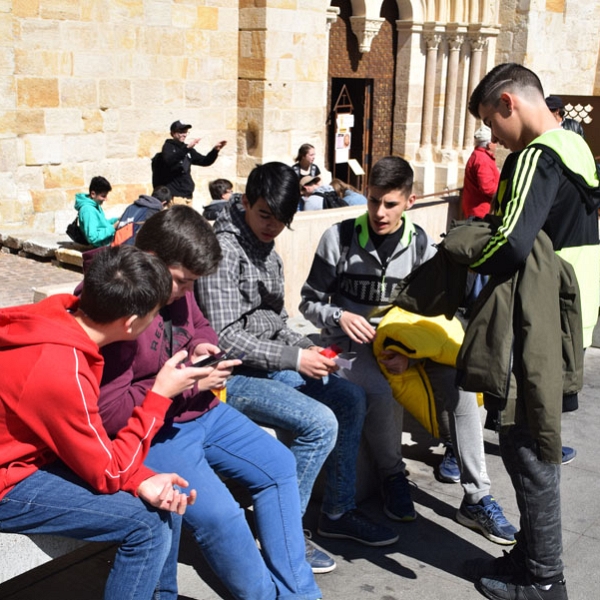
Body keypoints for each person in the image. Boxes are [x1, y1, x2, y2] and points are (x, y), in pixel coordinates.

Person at [98, 205, 322, 600]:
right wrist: (178, 386)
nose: (187, 292)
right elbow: (110, 413)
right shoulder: (120, 304)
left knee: (280, 466)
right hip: (156, 434)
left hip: (203, 410)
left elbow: (200, 324)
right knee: (221, 517)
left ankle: (300, 595)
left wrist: (204, 345)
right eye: (182, 283)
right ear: (150, 260)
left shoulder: (176, 287)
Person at [299, 156, 517, 546]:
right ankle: (393, 477)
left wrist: (413, 355)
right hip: (353, 347)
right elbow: (308, 302)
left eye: (390, 203)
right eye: (373, 201)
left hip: (407, 345)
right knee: (383, 390)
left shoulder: (421, 245)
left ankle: (477, 496)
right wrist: (338, 315)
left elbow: (437, 312)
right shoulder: (339, 237)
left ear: (410, 201)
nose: (379, 212)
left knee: (462, 384)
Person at [195, 162, 399, 570]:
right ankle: (280, 533)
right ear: (247, 202)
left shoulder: (265, 248)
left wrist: (311, 350)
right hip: (227, 376)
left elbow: (277, 321)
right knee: (319, 422)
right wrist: (293, 357)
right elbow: (223, 338)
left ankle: (337, 512)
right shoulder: (223, 249)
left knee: (349, 396)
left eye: (281, 219)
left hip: (265, 362)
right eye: (265, 215)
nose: (272, 226)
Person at [463, 63, 600, 600]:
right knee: (532, 442)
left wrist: (462, 248)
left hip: (537, 323)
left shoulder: (534, 157)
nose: (494, 139)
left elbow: (511, 243)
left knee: (528, 446)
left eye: (491, 124)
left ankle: (544, 579)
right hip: (571, 319)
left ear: (507, 103)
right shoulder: (576, 148)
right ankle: (534, 554)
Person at [0, 245, 201, 600]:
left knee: (165, 499)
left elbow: (89, 448)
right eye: (154, 315)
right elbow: (107, 473)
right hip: (8, 479)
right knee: (147, 526)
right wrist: (159, 395)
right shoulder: (61, 369)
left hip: (27, 457)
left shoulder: (57, 315)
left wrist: (142, 479)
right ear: (130, 323)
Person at [156, 120, 227, 202]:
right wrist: (186, 149)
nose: (184, 134)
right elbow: (170, 161)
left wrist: (215, 150)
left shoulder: (187, 149)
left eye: (186, 132)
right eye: (181, 132)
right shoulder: (168, 146)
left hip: (187, 194)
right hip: (174, 195)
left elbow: (204, 161)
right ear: (173, 133)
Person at [462, 125, 500, 218]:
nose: (496, 144)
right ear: (489, 144)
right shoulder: (482, 160)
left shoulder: (479, 156)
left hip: (477, 208)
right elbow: (487, 187)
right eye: (494, 141)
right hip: (481, 211)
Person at [74, 175, 118, 247]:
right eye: (103, 196)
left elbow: (102, 224)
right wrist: (113, 227)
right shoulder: (88, 211)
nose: (106, 199)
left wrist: (117, 220)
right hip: (103, 247)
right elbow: (92, 237)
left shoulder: (95, 205)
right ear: (93, 194)